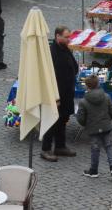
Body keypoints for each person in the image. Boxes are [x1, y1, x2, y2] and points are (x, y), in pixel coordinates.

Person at [41, 26, 80, 161]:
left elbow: (73, 66)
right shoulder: (52, 52)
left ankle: (60, 146)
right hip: (56, 93)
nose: (69, 39)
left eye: (69, 37)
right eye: (66, 37)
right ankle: (46, 149)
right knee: (52, 121)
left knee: (63, 119)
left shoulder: (65, 49)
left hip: (67, 92)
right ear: (58, 36)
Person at [76, 74, 112, 178]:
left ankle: (94, 170)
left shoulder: (83, 101)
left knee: (95, 149)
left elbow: (80, 118)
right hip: (106, 127)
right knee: (109, 146)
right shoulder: (106, 96)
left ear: (87, 86)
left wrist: (85, 124)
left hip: (93, 128)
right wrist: (108, 120)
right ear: (98, 84)